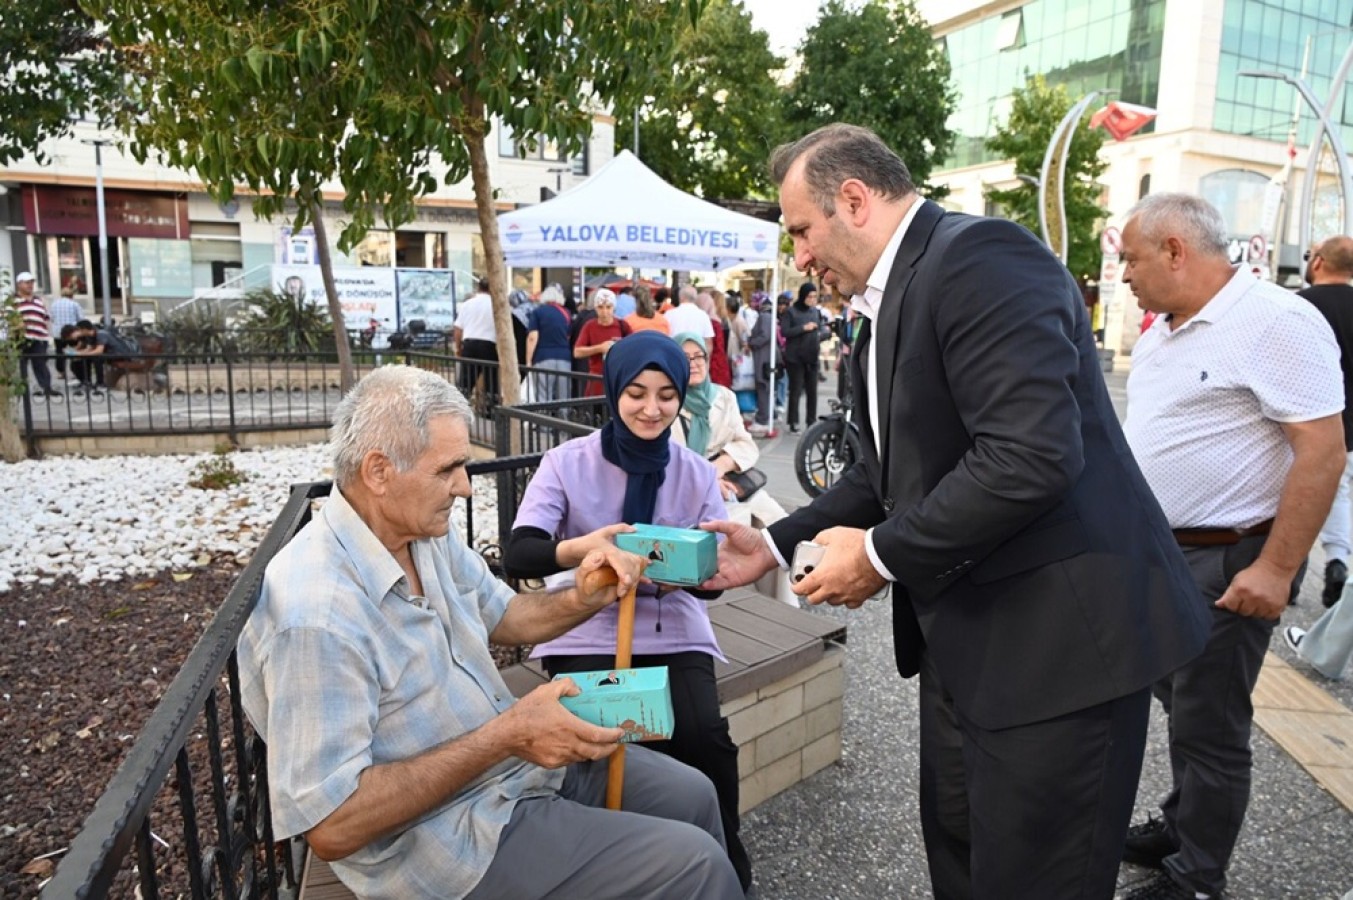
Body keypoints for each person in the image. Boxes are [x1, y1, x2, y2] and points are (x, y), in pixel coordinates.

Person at [701, 123, 1209, 900]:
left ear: (854, 199)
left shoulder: (979, 258)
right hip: (968, 646)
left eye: (800, 229)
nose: (797, 255)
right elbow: (884, 473)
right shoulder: (888, 295)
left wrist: (874, 557)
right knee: (964, 864)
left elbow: (1029, 456)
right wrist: (771, 545)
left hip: (1059, 653)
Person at [237, 365, 742, 900]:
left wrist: (584, 596)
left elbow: (506, 616)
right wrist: (506, 734)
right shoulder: (316, 615)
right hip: (446, 837)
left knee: (693, 793)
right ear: (380, 471)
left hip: (511, 769)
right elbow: (334, 826)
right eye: (449, 469)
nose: (464, 488)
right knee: (696, 865)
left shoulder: (417, 533)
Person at [1118, 194, 1345, 900]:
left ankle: (1196, 875)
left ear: (1174, 250)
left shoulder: (1275, 321)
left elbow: (1322, 453)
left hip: (1226, 559)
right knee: (1178, 703)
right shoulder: (1165, 330)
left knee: (1210, 724)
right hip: (1159, 554)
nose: (1122, 274)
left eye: (1129, 258)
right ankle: (1183, 825)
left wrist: (1275, 569)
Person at [502, 331, 752, 893]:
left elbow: (710, 586)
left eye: (666, 395)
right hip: (584, 624)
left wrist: (694, 567)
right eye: (636, 392)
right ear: (613, 390)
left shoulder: (694, 470)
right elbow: (520, 550)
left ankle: (726, 871)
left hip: (671, 626)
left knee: (704, 738)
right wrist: (589, 548)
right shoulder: (567, 463)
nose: (651, 408)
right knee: (597, 744)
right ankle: (615, 867)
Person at [669, 332, 795, 608]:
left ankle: (781, 608)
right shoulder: (668, 400)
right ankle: (740, 609)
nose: (694, 363)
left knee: (779, 527)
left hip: (732, 482)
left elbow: (746, 444)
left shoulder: (723, 396)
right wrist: (705, 478)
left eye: (699, 356)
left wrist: (719, 467)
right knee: (734, 535)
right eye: (684, 358)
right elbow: (668, 458)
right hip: (690, 493)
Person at [1300, 235, 1353, 608]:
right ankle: (1338, 559)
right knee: (1342, 494)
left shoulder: (1297, 307)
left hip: (1308, 424)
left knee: (1294, 496)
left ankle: (1292, 573)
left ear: (1318, 262)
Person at [780, 282, 824, 434]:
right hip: (795, 358)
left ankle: (811, 422)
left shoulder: (815, 312)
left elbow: (824, 329)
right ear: (803, 296)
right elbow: (785, 331)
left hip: (811, 357)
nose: (812, 300)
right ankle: (793, 422)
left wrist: (821, 333)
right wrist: (803, 328)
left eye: (814, 297)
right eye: (809, 297)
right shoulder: (791, 312)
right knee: (796, 391)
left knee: (812, 391)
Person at [573, 288, 631, 397]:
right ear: (595, 308)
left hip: (616, 379)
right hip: (596, 381)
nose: (604, 312)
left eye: (608, 307)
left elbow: (633, 348)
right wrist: (600, 348)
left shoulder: (622, 325)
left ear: (614, 308)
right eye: (600, 307)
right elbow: (577, 352)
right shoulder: (590, 326)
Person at [525, 284, 573, 406]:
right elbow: (569, 335)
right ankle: (564, 423)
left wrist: (528, 360)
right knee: (564, 396)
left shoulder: (538, 312)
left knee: (543, 396)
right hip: (564, 359)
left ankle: (544, 425)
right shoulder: (566, 313)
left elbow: (532, 337)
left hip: (543, 358)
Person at [12, 272, 59, 397]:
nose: (30, 285)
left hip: (39, 337)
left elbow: (46, 317)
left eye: (32, 283)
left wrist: (49, 335)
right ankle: (22, 389)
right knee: (21, 363)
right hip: (22, 337)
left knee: (40, 363)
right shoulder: (13, 300)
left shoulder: (39, 300)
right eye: (27, 283)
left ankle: (46, 387)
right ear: (19, 284)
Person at [452, 277, 498, 404]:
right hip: (489, 345)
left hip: (470, 344)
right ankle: (490, 408)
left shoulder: (467, 304)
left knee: (465, 380)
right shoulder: (496, 305)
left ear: (478, 288)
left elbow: (458, 328)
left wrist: (458, 347)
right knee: (491, 379)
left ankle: (459, 405)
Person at [64, 319, 142, 390]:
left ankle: (101, 383)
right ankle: (86, 382)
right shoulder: (90, 336)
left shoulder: (101, 334)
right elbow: (89, 349)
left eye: (80, 330)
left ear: (84, 329)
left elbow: (99, 351)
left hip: (120, 354)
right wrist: (77, 354)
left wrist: (80, 354)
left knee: (97, 358)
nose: (79, 333)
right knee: (86, 358)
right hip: (109, 354)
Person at [745, 294, 776, 437]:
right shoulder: (770, 317)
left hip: (763, 357)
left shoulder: (764, 317)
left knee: (763, 387)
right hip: (766, 356)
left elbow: (765, 336)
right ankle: (766, 415)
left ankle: (763, 419)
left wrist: (751, 342)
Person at [664, 285, 715, 354]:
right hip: (696, 356)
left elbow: (664, 337)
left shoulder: (669, 314)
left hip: (675, 354)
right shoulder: (703, 315)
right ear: (695, 298)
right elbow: (708, 342)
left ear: (680, 297)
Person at [50, 285, 83, 383]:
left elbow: (51, 318)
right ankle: (74, 371)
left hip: (58, 332)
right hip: (72, 332)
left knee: (59, 351)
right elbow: (81, 318)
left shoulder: (54, 304)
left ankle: (61, 372)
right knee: (74, 351)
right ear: (71, 295)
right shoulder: (74, 304)